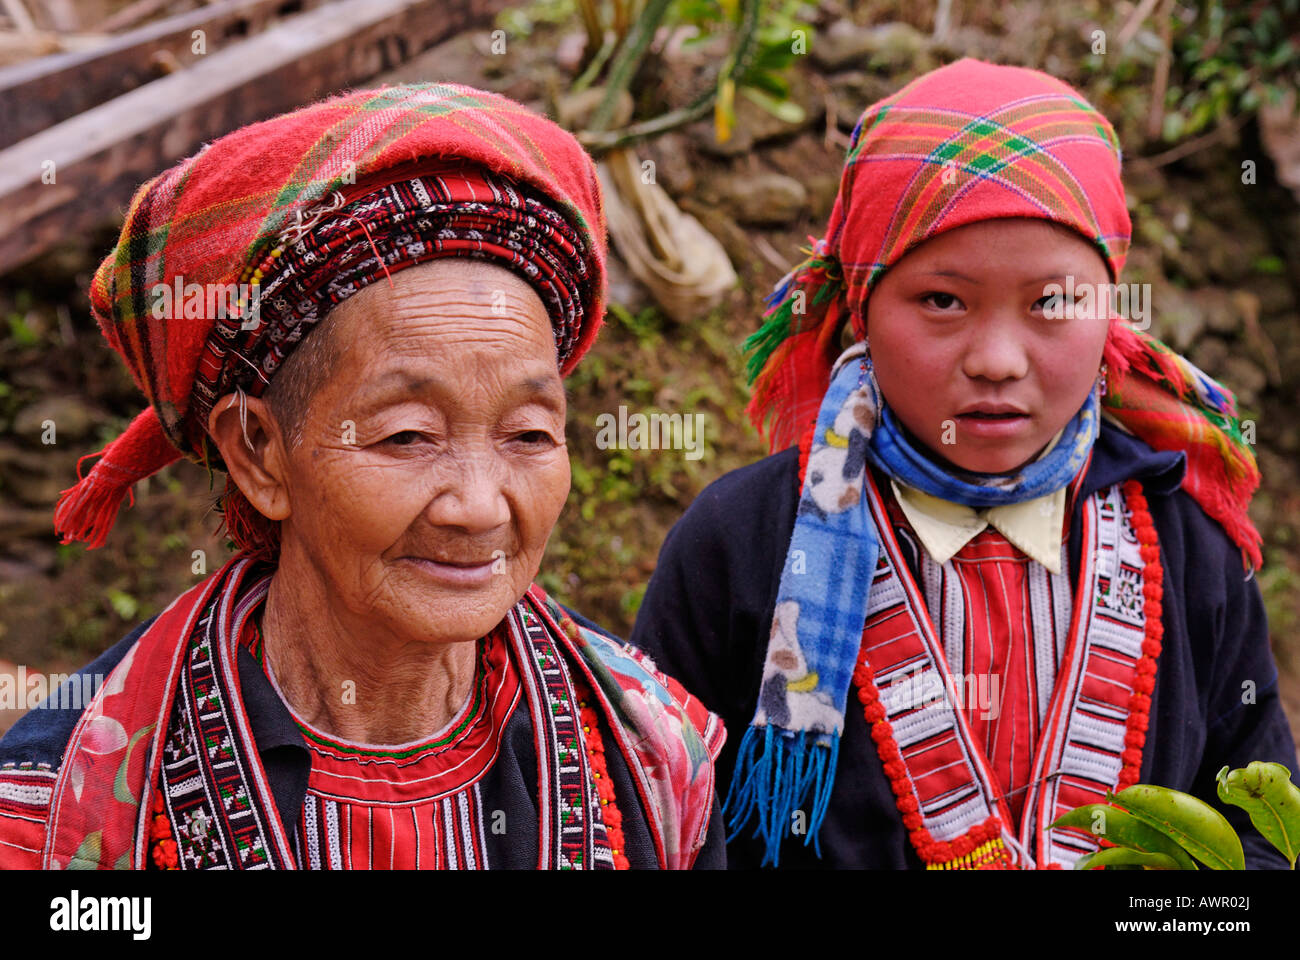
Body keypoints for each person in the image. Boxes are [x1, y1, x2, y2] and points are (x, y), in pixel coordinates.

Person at [0, 82, 725, 871]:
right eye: (408, 435)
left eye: (527, 433)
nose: (480, 505)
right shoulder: (60, 813)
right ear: (256, 452)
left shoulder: (652, 756)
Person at [629, 58, 1296, 869]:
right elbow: (657, 824)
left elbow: (1257, 840)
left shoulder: (1188, 548)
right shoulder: (742, 546)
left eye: (1052, 302)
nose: (997, 360)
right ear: (863, 306)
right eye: (943, 301)